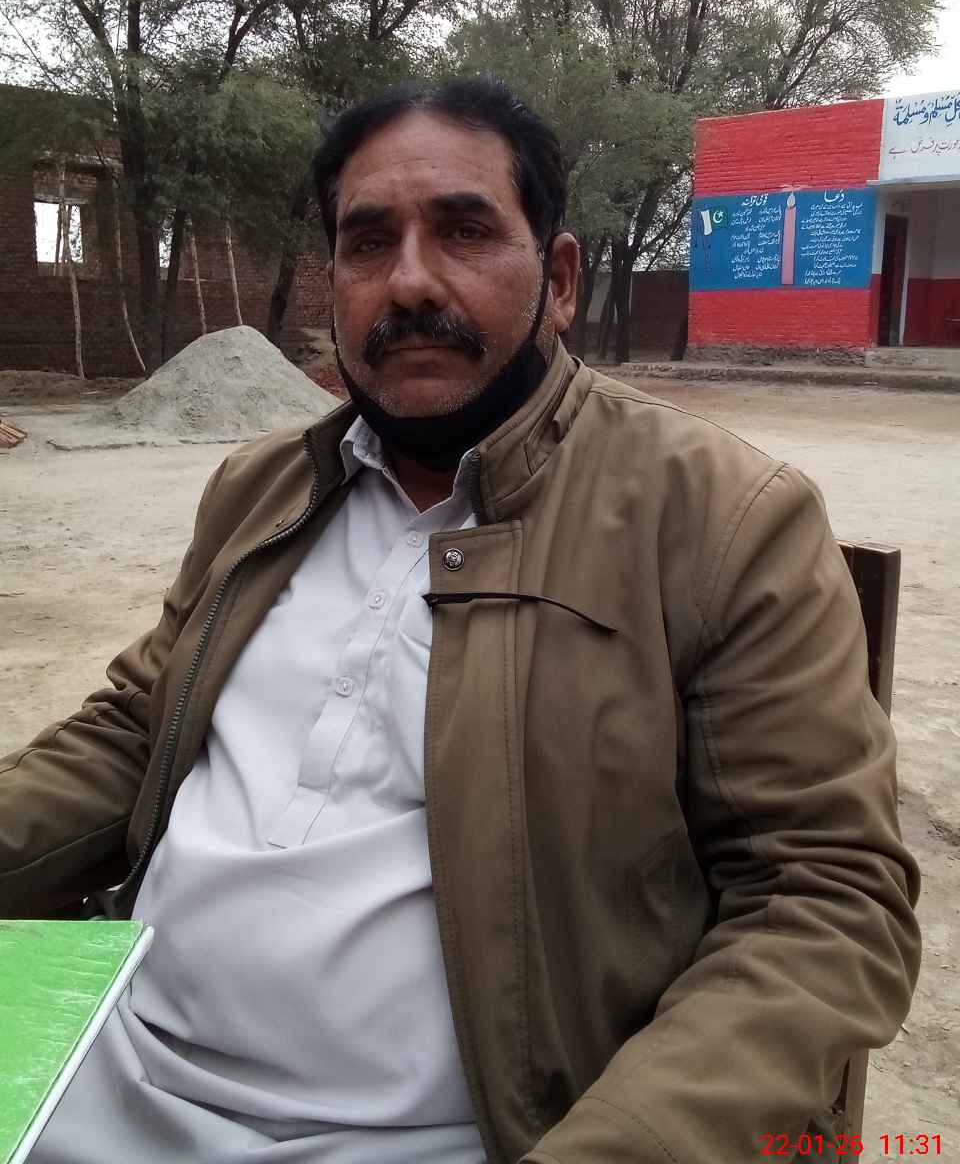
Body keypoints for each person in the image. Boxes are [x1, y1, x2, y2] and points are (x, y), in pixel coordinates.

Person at [1, 76, 920, 1164]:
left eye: (465, 230)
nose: (409, 281)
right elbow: (132, 729)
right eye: (367, 242)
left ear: (560, 280)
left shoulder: (719, 519)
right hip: (100, 1056)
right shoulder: (261, 489)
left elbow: (823, 898)